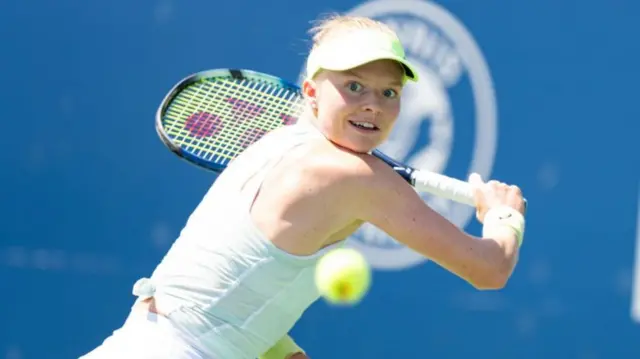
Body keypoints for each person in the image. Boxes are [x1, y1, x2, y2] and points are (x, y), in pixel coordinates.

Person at [79, 14, 526, 359]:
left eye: (389, 92)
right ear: (311, 93)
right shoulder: (356, 176)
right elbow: (489, 268)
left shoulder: (272, 144)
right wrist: (505, 216)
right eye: (354, 86)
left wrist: (278, 348)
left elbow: (222, 284)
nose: (373, 104)